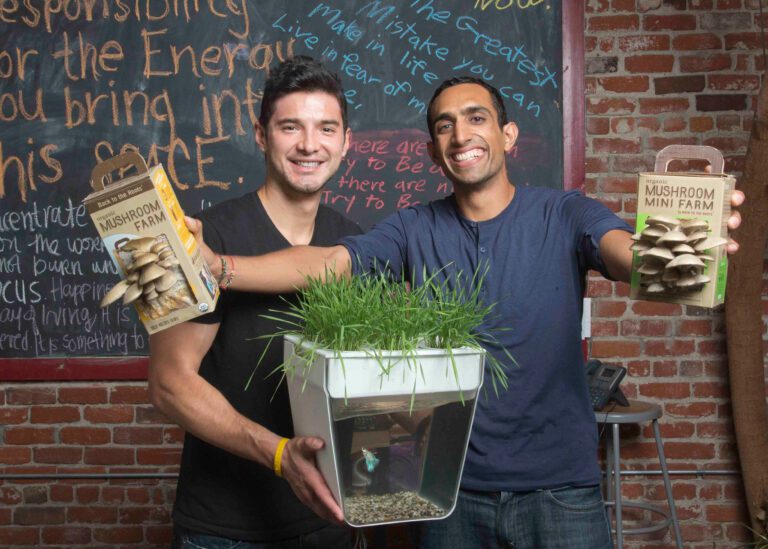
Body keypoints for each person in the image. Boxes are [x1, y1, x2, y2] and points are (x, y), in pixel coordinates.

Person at [187, 76, 744, 548]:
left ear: (507, 136)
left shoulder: (565, 212)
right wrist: (220, 268)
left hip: (562, 492)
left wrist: (677, 250)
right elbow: (332, 263)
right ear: (433, 149)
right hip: (447, 493)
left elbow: (623, 254)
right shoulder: (412, 228)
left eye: (475, 118)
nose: (460, 134)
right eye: (444, 125)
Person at [148, 56, 362, 549]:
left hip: (330, 522)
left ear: (346, 142)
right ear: (262, 135)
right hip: (224, 531)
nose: (310, 145)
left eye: (326, 128)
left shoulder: (352, 243)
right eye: (291, 127)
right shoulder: (198, 237)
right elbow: (167, 384)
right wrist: (279, 454)